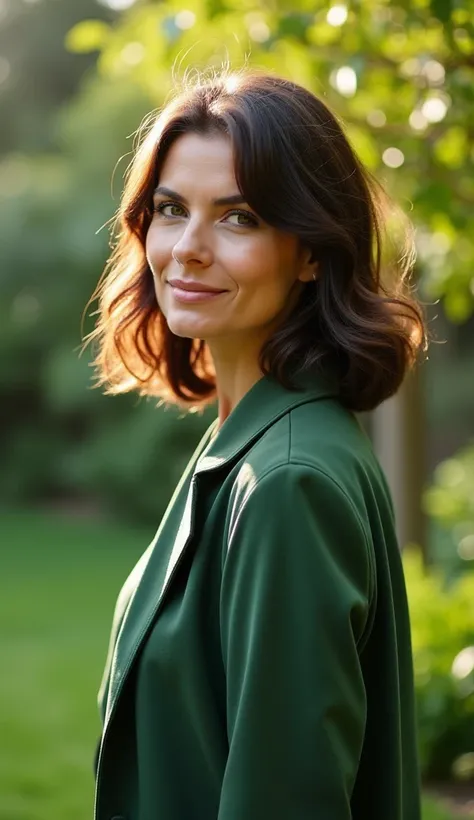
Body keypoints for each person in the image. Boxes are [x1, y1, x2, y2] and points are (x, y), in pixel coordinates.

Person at [88, 68, 427, 820]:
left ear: (311, 251)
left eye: (239, 217)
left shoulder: (288, 481)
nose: (188, 249)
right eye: (171, 210)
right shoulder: (255, 441)